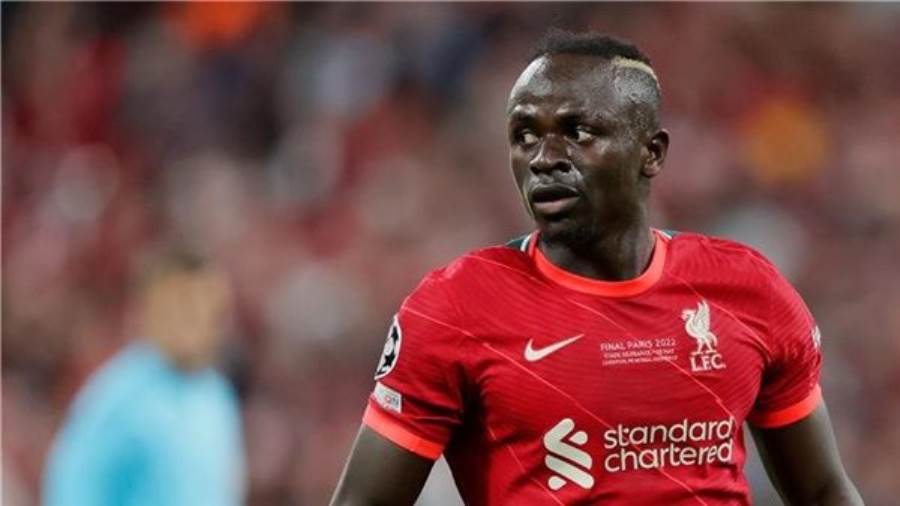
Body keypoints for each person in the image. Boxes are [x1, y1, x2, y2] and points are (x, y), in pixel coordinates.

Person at [330, 29, 864, 505]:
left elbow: (823, 491)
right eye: (525, 135)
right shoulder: (456, 308)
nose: (544, 157)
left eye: (578, 132)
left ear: (651, 153)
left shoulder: (747, 290)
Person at [43, 250, 245, 506]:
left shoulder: (216, 396)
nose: (195, 322)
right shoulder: (116, 399)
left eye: (206, 309)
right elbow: (71, 490)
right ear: (149, 312)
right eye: (182, 308)